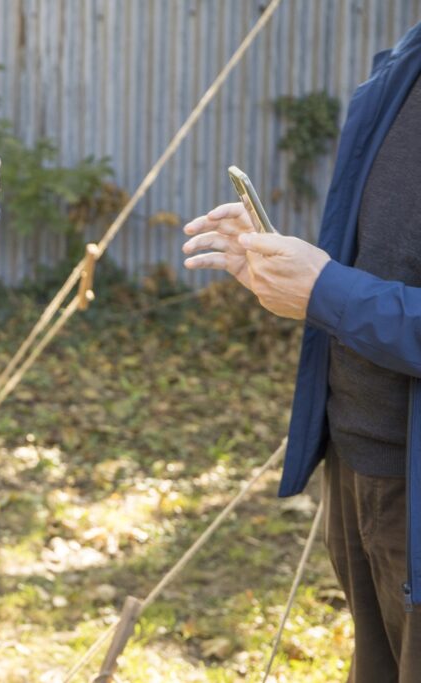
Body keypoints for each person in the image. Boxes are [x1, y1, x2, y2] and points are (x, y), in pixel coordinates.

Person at [182, 22, 421, 681]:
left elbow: (341, 289)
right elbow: (374, 263)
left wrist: (326, 289)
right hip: (356, 463)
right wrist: (278, 265)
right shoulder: (404, 64)